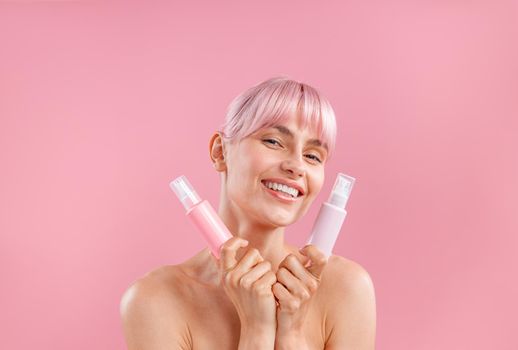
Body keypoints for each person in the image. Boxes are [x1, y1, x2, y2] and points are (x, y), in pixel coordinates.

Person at [120, 76, 376, 349]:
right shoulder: (155, 300)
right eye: (274, 142)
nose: (297, 166)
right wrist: (258, 330)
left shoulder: (347, 289)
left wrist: (292, 335)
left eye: (313, 156)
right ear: (220, 152)